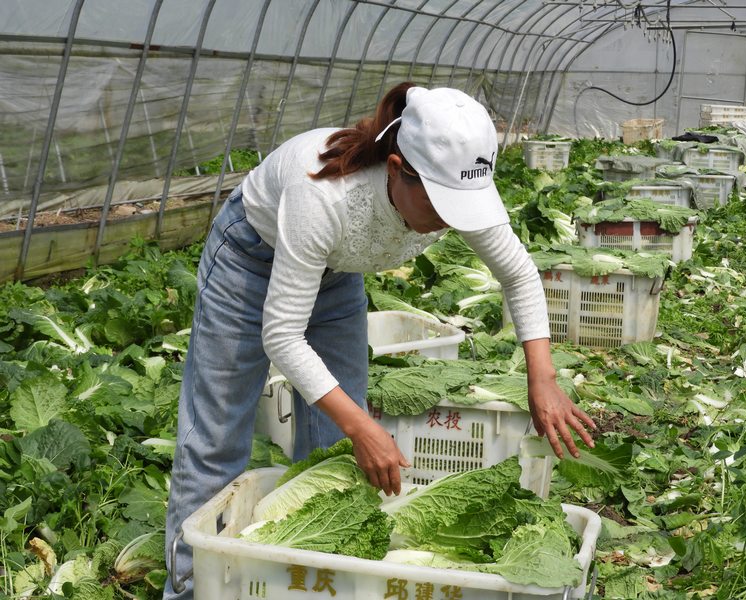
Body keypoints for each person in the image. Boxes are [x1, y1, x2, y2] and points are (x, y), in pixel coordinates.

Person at [162, 82, 596, 599]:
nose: (452, 219)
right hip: (250, 259)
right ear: (396, 168)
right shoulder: (324, 196)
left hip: (337, 272)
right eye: (441, 203)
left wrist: (542, 378)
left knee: (332, 443)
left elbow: (519, 275)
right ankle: (189, 586)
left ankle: (308, 581)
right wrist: (364, 427)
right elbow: (282, 335)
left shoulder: (457, 188)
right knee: (216, 438)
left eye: (462, 205)